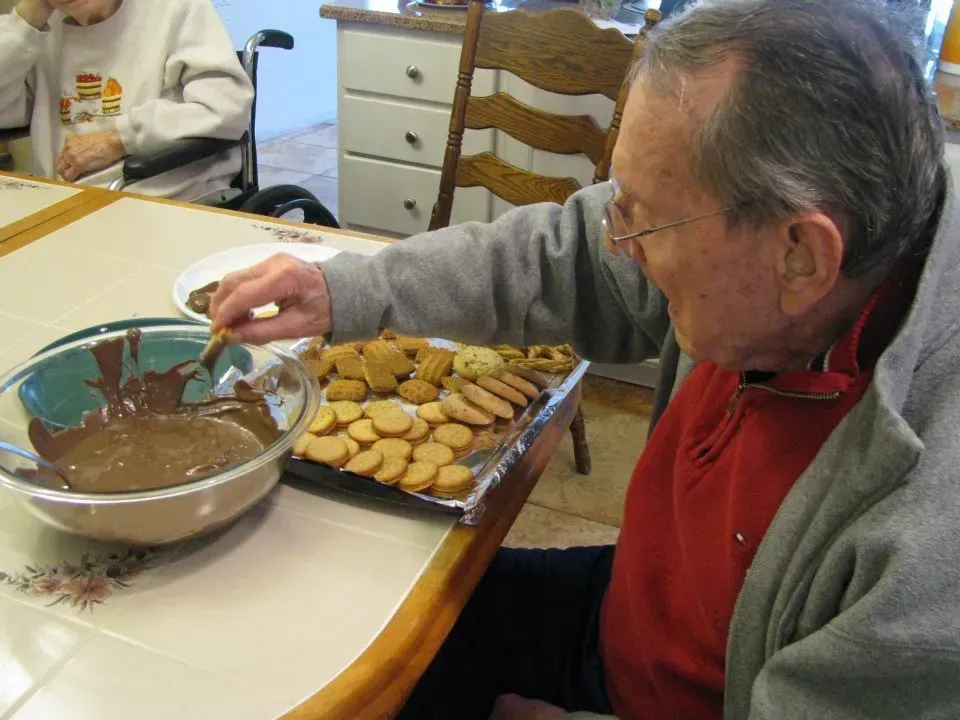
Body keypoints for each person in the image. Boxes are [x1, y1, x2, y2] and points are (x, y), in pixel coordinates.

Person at [211, 0, 960, 718]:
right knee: (370, 622)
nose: (616, 242)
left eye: (642, 218)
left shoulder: (928, 554)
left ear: (802, 256)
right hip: (634, 616)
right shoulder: (787, 261)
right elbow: (564, 255)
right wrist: (341, 290)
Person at [0, 0, 254, 201]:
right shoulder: (38, 29)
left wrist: (119, 139)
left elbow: (227, 109)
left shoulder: (177, 10)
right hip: (61, 200)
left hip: (166, 197)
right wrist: (23, 23)